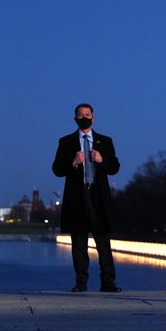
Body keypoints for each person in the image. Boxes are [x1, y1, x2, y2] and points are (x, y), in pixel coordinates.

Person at [52, 103, 122, 293]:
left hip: (98, 196)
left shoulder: (105, 141)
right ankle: (81, 283)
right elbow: (57, 169)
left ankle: (108, 282)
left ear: (94, 118)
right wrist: (73, 162)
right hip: (77, 197)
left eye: (87, 114)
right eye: (80, 115)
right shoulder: (65, 142)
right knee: (79, 243)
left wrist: (102, 160)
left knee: (103, 242)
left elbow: (115, 167)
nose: (84, 117)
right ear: (75, 118)